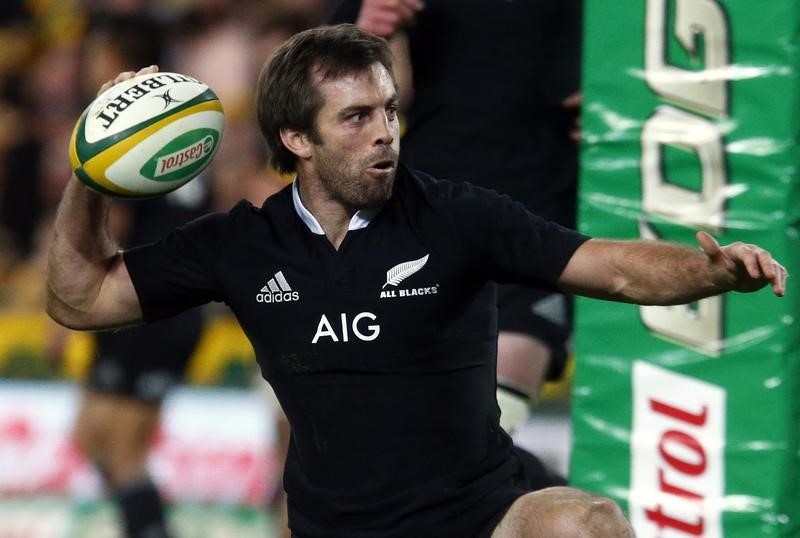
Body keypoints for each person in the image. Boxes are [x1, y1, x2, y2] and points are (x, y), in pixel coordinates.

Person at [45, 24, 786, 538]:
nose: (385, 134)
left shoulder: (458, 216)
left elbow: (615, 270)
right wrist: (90, 173)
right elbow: (81, 298)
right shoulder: (242, 243)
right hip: (331, 527)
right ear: (297, 139)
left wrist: (710, 271)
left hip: (482, 517)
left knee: (582, 523)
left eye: (391, 112)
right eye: (358, 117)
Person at [329, 0, 584, 461]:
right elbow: (313, 106)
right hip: (413, 225)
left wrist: (630, 103)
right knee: (331, 443)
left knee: (477, 434)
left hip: (537, 232)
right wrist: (366, 38)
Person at [64, 13, 208, 538]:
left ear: (116, 62)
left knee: (122, 449)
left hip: (145, 304)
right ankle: (141, 523)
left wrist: (66, 312)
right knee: (92, 434)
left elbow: (105, 227)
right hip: (162, 301)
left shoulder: (118, 126)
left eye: (98, 55)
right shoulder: (182, 112)